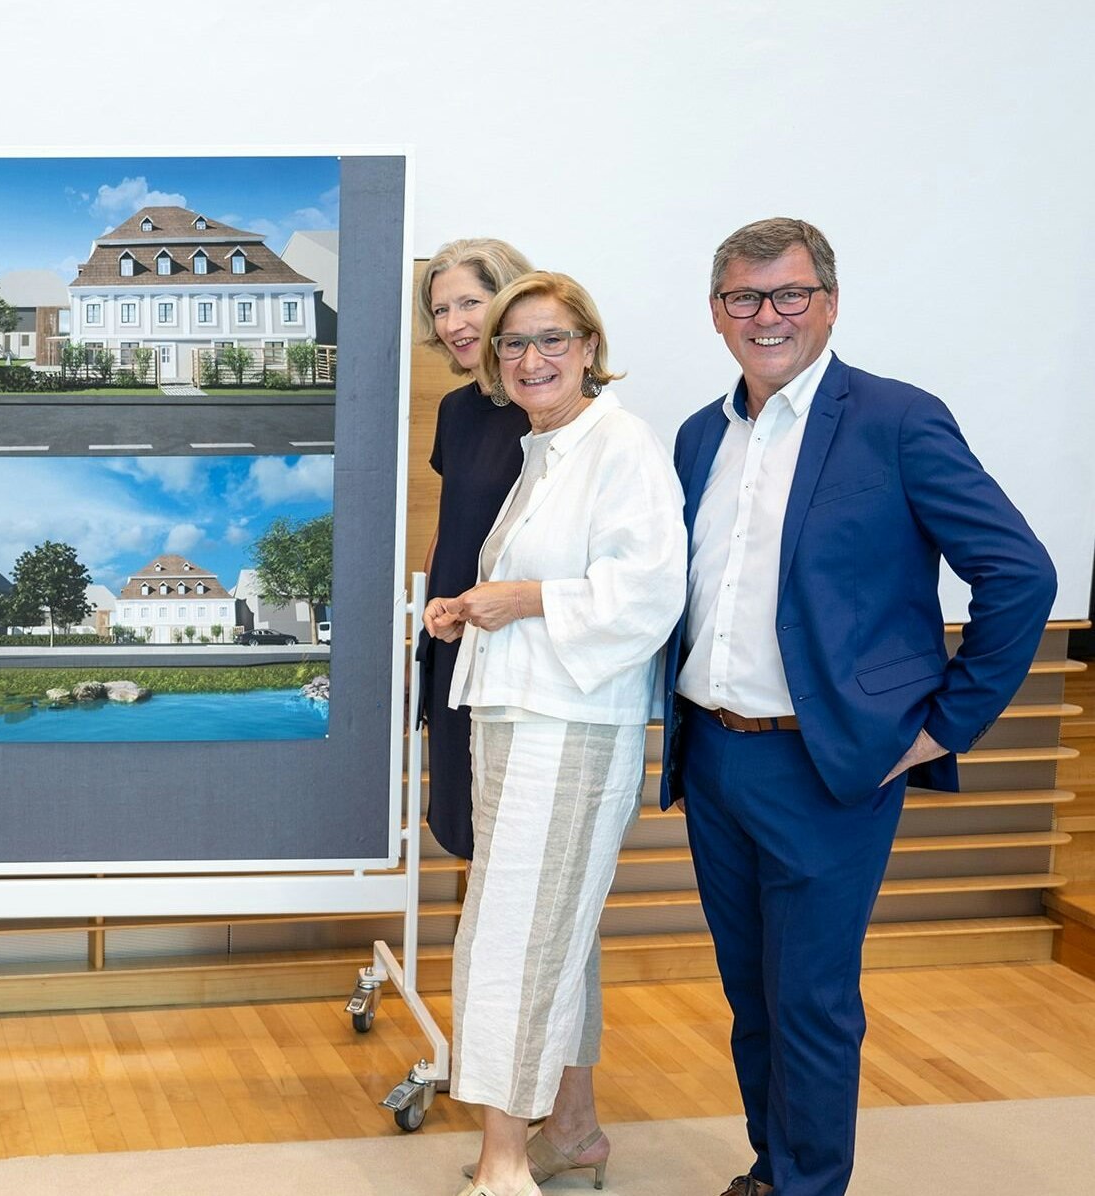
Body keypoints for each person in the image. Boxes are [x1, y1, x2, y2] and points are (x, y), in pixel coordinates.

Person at [664, 218, 1054, 1196]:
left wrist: (939, 724)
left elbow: (1018, 572)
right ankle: (772, 1164)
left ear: (827, 303)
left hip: (827, 766)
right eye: (743, 298)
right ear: (716, 314)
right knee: (751, 995)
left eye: (788, 294)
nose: (767, 316)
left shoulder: (893, 420)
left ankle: (807, 1184)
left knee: (808, 1002)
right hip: (712, 756)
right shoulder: (698, 434)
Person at [425, 272, 685, 1196]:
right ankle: (568, 1136)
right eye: (513, 344)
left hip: (569, 725)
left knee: (516, 941)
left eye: (550, 340)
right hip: (515, 714)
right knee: (543, 932)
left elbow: (648, 595)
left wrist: (520, 599)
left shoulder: (622, 444)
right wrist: (471, 607)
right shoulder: (547, 450)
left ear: (588, 347)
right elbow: (542, 586)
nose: (531, 359)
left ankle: (503, 1161)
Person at [414, 238, 534, 861]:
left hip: (515, 656)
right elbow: (451, 523)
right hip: (452, 644)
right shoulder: (455, 409)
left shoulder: (550, 406)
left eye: (470, 302)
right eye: (440, 309)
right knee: (466, 832)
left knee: (518, 847)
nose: (454, 323)